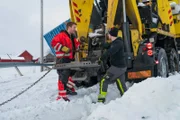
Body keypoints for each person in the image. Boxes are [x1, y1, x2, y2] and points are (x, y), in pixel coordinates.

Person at [51, 22, 80, 101]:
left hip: (70, 59)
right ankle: (61, 96)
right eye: (74, 27)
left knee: (70, 75)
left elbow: (76, 45)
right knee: (62, 77)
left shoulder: (72, 37)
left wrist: (79, 46)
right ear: (69, 27)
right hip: (62, 59)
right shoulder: (61, 35)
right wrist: (63, 48)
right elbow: (53, 43)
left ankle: (68, 89)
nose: (75, 29)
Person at [98, 27, 127, 103]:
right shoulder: (115, 42)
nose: (108, 35)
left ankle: (101, 101)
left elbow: (110, 51)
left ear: (110, 35)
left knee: (104, 81)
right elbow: (108, 45)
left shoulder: (118, 43)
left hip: (117, 67)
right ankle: (127, 99)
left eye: (108, 33)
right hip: (120, 67)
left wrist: (101, 58)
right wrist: (100, 43)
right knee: (121, 84)